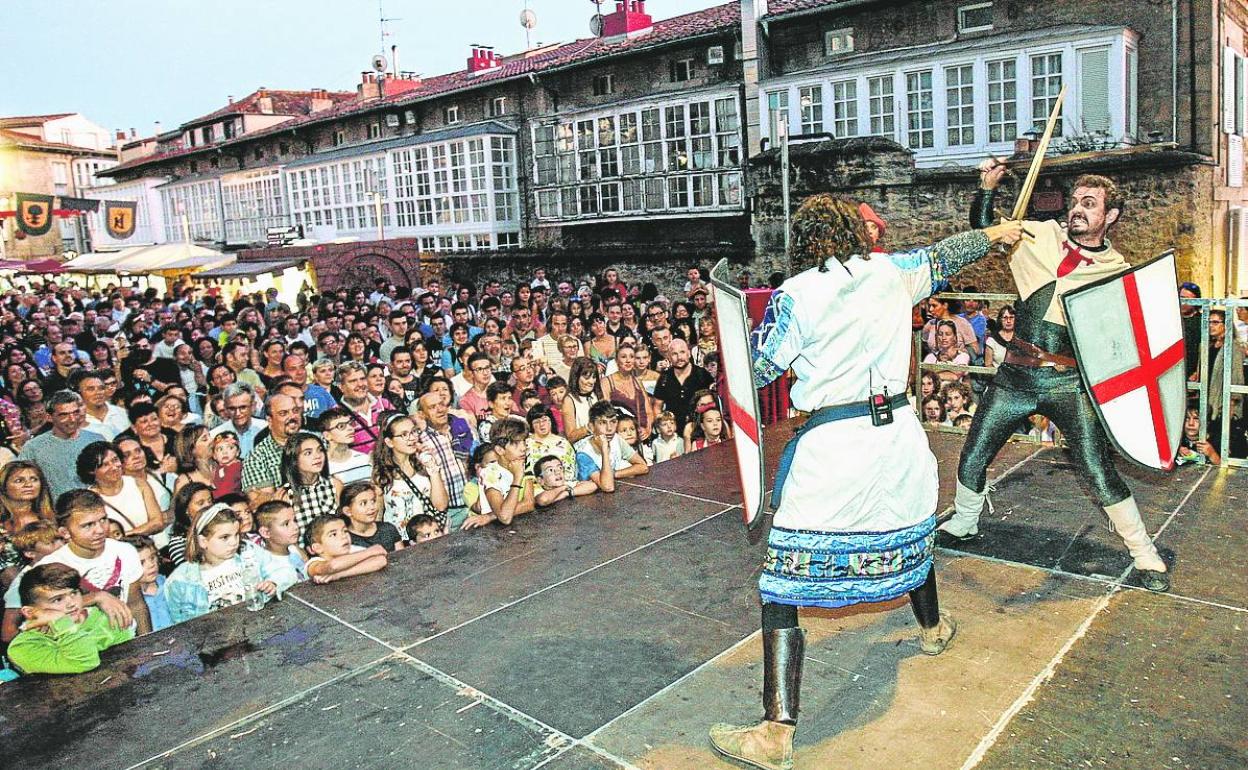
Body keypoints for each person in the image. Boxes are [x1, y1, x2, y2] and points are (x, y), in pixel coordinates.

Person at [708, 194, 1023, 769]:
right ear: (857, 234)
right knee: (908, 531)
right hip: (899, 437)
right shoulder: (891, 272)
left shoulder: (794, 295)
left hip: (836, 449)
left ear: (804, 240)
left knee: (782, 584)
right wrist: (997, 234)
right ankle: (932, 631)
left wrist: (729, 344)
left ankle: (776, 732)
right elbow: (947, 254)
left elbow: (759, 370)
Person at [942, 163, 1170, 593]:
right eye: (1075, 202)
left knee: (1097, 469)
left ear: (1110, 216)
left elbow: (1129, 341)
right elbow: (986, 228)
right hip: (1014, 378)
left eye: (1090, 204)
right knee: (973, 454)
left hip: (1068, 383)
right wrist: (986, 189)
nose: (1077, 209)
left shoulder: (1117, 271)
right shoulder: (1040, 235)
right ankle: (965, 522)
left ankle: (1143, 552)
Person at [2, 489, 152, 644]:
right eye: (88, 525)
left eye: (103, 519)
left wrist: (148, 644)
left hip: (125, 640)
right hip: (77, 649)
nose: (100, 530)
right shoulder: (46, 568)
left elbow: (136, 603)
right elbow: (38, 616)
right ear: (65, 532)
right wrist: (96, 597)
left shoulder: (125, 551)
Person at [7, 563, 136, 675]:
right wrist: (61, 622)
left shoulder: (105, 620)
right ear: (30, 612)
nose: (72, 604)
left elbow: (130, 663)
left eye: (74, 593)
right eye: (57, 599)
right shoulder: (23, 647)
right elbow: (85, 662)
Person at [163, 503, 279, 624]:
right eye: (225, 537)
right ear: (203, 541)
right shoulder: (180, 581)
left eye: (236, 535)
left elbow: (280, 569)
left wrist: (273, 583)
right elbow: (184, 626)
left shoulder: (248, 552)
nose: (234, 542)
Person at [18, 391, 105, 499]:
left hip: (97, 504)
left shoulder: (97, 439)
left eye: (75, 413)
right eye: (64, 415)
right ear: (49, 417)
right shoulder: (33, 448)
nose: (72, 419)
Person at [78, 441, 166, 538]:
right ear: (91, 471)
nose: (114, 467)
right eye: (105, 465)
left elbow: (157, 522)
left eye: (115, 460)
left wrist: (122, 536)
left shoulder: (139, 483)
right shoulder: (88, 500)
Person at [241, 392, 304, 506]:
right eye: (283, 413)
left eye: (295, 411)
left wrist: (279, 496)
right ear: (270, 421)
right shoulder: (257, 457)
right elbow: (266, 505)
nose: (292, 417)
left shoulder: (317, 441)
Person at [278, 432, 343, 536]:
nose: (317, 456)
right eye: (308, 453)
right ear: (294, 460)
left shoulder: (335, 484)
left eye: (320, 450)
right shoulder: (285, 495)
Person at [574, 401, 649, 492]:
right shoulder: (583, 453)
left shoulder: (616, 439)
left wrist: (614, 474)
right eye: (603, 422)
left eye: (613, 422)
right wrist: (604, 450)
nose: (609, 428)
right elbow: (608, 487)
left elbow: (643, 466)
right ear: (591, 427)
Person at [653, 338, 715, 435]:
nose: (679, 357)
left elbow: (713, 403)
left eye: (682, 352)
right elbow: (657, 407)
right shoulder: (664, 378)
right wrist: (663, 429)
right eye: (674, 354)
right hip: (674, 433)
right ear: (669, 357)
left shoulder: (702, 375)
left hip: (701, 430)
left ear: (689, 353)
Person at [303, 514, 388, 584]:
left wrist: (338, 575)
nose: (344, 536)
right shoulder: (313, 564)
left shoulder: (351, 550)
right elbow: (332, 566)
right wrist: (369, 551)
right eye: (334, 534)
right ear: (318, 548)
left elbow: (381, 560)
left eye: (345, 531)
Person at [123, 535, 172, 632]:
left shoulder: (170, 584)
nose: (151, 565)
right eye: (141, 563)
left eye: (152, 557)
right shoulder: (127, 598)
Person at [340, 480, 404, 552]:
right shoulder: (344, 540)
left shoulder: (388, 529)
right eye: (363, 503)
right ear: (348, 511)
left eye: (373, 501)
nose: (372, 507)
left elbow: (403, 556)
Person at [319, 406, 373, 484]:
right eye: (341, 426)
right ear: (327, 435)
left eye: (350, 424)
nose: (351, 429)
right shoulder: (321, 466)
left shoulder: (364, 459)